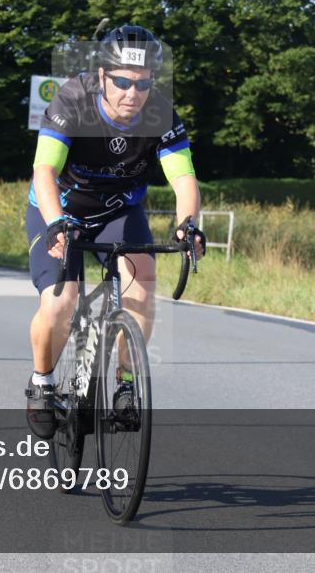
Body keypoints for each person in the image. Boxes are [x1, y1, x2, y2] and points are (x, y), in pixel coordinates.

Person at [24, 24, 206, 439]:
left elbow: (183, 178)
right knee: (60, 304)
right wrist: (55, 223)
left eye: (142, 84)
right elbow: (45, 170)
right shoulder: (72, 100)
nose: (132, 93)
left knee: (141, 284)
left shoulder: (160, 113)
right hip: (60, 209)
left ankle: (125, 386)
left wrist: (187, 224)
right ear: (102, 75)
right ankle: (42, 381)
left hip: (118, 210)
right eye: (122, 81)